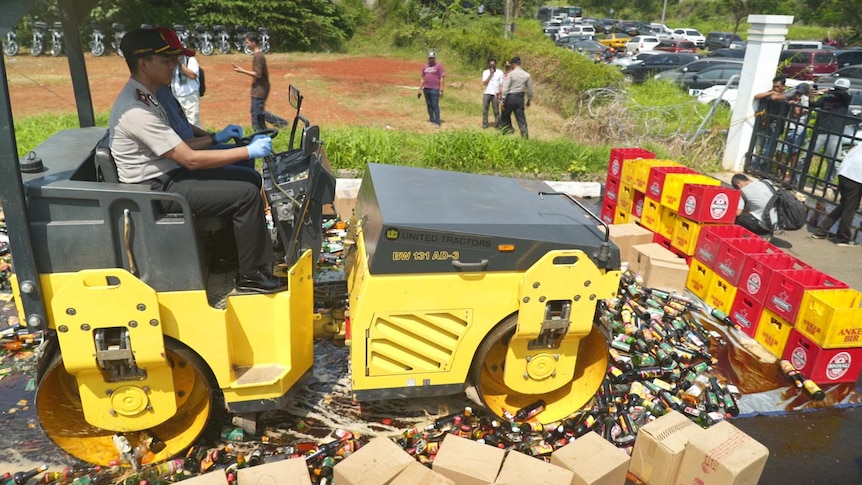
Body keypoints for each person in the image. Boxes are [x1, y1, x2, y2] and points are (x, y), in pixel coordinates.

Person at [110, 27, 282, 294]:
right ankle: (252, 276)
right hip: (155, 191)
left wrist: (217, 138)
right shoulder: (135, 109)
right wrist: (249, 151)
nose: (173, 66)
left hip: (168, 176)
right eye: (166, 61)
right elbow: (188, 159)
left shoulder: (149, 96)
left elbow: (178, 146)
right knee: (246, 193)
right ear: (143, 64)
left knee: (248, 177)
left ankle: (228, 256)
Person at [155, 85, 257, 172]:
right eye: (165, 62)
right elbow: (180, 151)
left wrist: (209, 136)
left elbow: (182, 123)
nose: (172, 67)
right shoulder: (153, 97)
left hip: (196, 146)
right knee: (248, 175)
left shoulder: (165, 90)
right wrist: (214, 138)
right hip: (183, 159)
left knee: (246, 159)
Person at [811, 141, 862, 247]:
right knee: (850, 208)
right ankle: (843, 238)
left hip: (845, 171)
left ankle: (821, 231)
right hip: (855, 176)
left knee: (845, 205)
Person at [232, 33, 287, 131]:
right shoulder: (258, 55)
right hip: (259, 88)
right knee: (257, 112)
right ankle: (266, 129)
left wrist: (242, 70)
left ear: (254, 43)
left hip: (260, 89)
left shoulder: (258, 56)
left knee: (257, 114)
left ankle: (278, 124)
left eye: (247, 42)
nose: (246, 44)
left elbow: (258, 74)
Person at [808, 78, 852, 182]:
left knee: (834, 161)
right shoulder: (826, 98)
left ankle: (828, 182)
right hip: (821, 130)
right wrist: (812, 95)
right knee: (807, 155)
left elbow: (843, 94)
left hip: (835, 132)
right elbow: (813, 105)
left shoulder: (846, 98)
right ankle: (798, 178)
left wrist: (828, 90)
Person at [752, 76, 790, 172]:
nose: (776, 89)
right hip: (768, 124)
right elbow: (757, 96)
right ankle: (760, 167)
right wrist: (771, 92)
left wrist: (776, 95)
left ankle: (763, 167)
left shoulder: (786, 95)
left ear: (783, 86)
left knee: (774, 149)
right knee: (766, 147)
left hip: (779, 125)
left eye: (778, 87)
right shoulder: (771, 93)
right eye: (774, 86)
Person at [779, 82, 811, 184]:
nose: (798, 95)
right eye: (797, 93)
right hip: (788, 127)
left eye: (800, 93)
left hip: (799, 129)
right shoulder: (792, 97)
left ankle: (790, 176)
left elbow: (797, 114)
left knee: (794, 154)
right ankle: (783, 174)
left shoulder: (805, 101)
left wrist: (796, 103)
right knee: (779, 152)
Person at [500, 56, 533, 139]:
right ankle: (525, 137)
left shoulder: (510, 74)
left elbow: (505, 88)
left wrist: (502, 100)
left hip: (510, 97)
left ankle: (504, 135)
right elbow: (529, 89)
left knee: (505, 116)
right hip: (520, 98)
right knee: (521, 119)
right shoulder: (527, 75)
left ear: (513, 64)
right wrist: (529, 100)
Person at [171, 53, 200, 127]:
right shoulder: (170, 60)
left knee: (193, 122)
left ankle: (198, 138)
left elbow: (192, 75)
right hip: (175, 96)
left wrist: (180, 64)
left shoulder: (190, 59)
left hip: (190, 96)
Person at [418, 50, 445, 126]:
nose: (431, 59)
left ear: (434, 58)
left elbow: (442, 78)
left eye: (432, 58)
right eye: (430, 58)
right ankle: (431, 118)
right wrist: (420, 88)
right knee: (429, 104)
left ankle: (437, 121)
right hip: (426, 88)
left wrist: (441, 90)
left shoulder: (439, 66)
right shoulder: (425, 66)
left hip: (435, 89)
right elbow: (422, 78)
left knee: (435, 105)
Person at [481, 57, 504, 129]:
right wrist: (490, 75)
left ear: (496, 64)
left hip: (495, 93)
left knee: (496, 110)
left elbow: (501, 84)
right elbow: (484, 83)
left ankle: (497, 124)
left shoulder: (500, 72)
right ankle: (485, 124)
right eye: (490, 65)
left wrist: (500, 94)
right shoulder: (485, 72)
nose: (492, 66)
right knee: (485, 109)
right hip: (487, 92)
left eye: (493, 65)